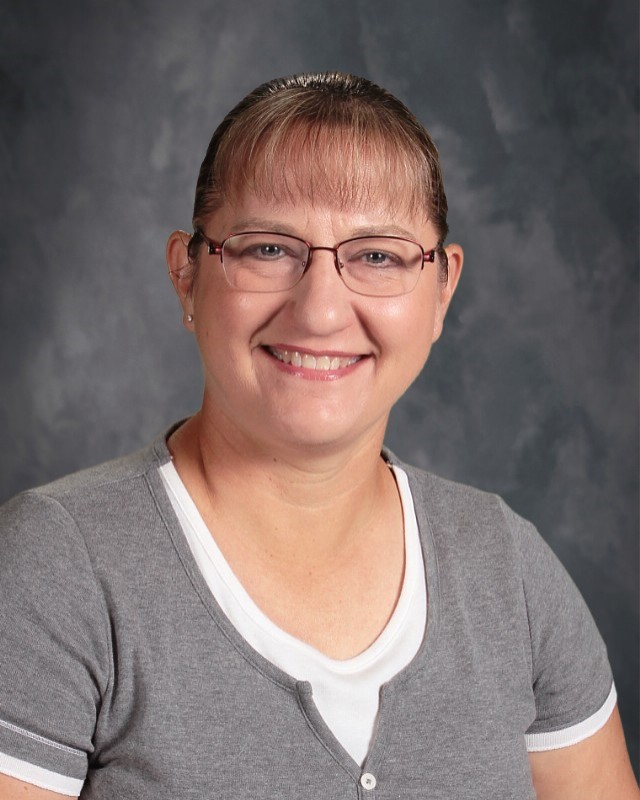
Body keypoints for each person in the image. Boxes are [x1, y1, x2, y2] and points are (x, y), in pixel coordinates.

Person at [0, 72, 637, 800]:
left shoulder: (508, 570)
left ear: (442, 290)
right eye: (269, 249)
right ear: (186, 273)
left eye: (378, 256)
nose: (322, 311)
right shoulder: (55, 570)